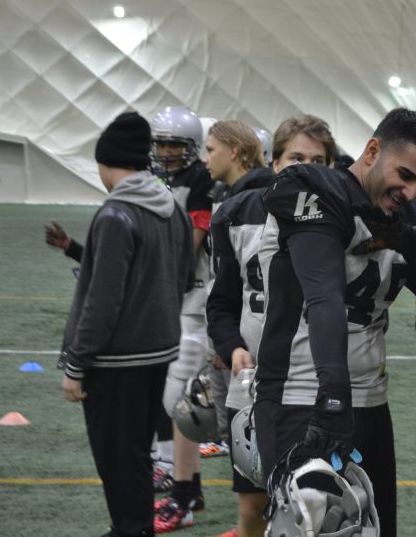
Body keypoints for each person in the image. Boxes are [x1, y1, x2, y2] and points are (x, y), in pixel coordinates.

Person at [254, 107, 416, 537]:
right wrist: (333, 400)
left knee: (377, 529)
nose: (410, 192)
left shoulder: (400, 213)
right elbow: (323, 295)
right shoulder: (314, 189)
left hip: (371, 402)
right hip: (305, 396)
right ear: (372, 150)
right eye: (404, 174)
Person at [59, 111, 195, 537]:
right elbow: (184, 276)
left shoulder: (116, 214)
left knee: (117, 457)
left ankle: (130, 528)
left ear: (105, 162)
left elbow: (101, 303)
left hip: (116, 361)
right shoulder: (172, 208)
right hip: (159, 352)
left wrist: (75, 365)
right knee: (136, 453)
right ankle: (133, 526)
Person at [206, 115, 336, 537]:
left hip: (316, 384)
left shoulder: (343, 219)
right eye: (296, 158)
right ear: (275, 163)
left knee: (317, 507)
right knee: (253, 507)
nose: (307, 169)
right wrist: (230, 346)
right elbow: (220, 302)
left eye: (318, 161)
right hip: (255, 382)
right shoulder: (237, 215)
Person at [155, 118, 264, 534]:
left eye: (212, 149)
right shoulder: (226, 193)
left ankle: (199, 498)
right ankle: (191, 492)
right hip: (221, 319)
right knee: (199, 408)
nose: (204, 159)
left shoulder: (254, 198)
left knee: (210, 410)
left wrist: (229, 335)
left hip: (235, 325)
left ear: (234, 151)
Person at [148, 107, 218, 533]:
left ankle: (185, 494)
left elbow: (191, 242)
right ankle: (186, 487)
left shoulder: (199, 181)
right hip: (175, 299)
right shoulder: (162, 179)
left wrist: (154, 278)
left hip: (194, 298)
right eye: (162, 143)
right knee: (174, 395)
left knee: (182, 399)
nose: (167, 151)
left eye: (175, 144)